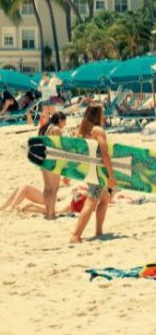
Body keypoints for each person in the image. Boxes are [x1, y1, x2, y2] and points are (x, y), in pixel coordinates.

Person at [71, 103, 116, 243]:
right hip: (98, 172)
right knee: (90, 202)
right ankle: (76, 235)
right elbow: (105, 154)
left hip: (90, 169)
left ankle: (98, 231)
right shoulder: (97, 130)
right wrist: (111, 176)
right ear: (99, 114)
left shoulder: (84, 130)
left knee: (104, 199)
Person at [39, 112, 68, 219]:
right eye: (64, 121)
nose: (65, 124)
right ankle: (51, 214)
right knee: (54, 189)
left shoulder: (45, 128)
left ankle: (48, 212)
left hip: (43, 160)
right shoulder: (56, 129)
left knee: (47, 188)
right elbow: (61, 147)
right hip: (52, 160)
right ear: (60, 120)